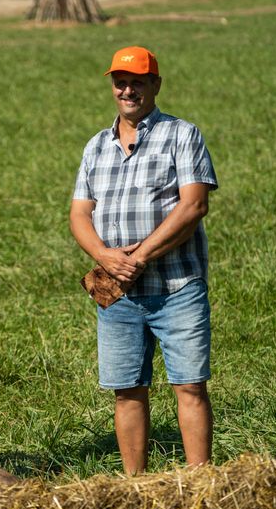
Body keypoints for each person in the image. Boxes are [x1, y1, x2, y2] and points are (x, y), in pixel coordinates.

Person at [70, 46, 217, 475]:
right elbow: (79, 213)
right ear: (112, 85)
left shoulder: (182, 135)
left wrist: (141, 256)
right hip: (120, 293)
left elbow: (193, 207)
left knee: (189, 385)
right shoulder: (97, 146)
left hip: (177, 285)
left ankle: (199, 485)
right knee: (127, 390)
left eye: (137, 81)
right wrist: (103, 255)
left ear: (156, 84)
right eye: (120, 81)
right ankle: (137, 485)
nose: (128, 89)